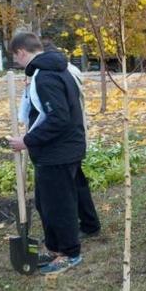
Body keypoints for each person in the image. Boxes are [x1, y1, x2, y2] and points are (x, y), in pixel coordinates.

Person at [8, 33, 87, 275]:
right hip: (57, 151)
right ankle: (55, 248)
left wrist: (27, 140)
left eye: (15, 57)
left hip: (58, 152)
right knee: (45, 203)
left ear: (21, 52)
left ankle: (70, 253)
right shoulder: (53, 70)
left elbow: (58, 117)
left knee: (59, 206)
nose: (18, 63)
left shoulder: (45, 76)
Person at [40, 41, 100, 240]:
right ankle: (90, 223)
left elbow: (59, 113)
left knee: (66, 190)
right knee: (77, 182)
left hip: (65, 141)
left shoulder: (54, 74)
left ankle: (70, 236)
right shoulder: (68, 69)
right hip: (74, 137)